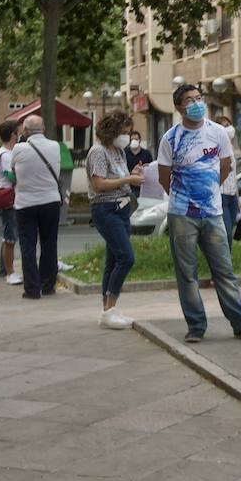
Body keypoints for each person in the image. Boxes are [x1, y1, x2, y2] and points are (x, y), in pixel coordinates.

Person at [157, 85, 241, 343]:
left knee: (224, 270)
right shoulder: (170, 138)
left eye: (198, 98)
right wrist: (184, 195)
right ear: (178, 107)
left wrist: (208, 191)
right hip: (181, 214)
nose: (196, 103)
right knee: (187, 273)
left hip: (213, 213)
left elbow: (226, 166)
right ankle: (196, 325)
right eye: (189, 100)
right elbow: (164, 177)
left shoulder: (217, 132)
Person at [87, 109, 142, 329]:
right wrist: (128, 178)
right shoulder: (98, 152)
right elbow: (99, 184)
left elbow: (118, 177)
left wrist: (132, 172)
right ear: (112, 131)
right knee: (126, 258)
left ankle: (108, 310)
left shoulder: (118, 152)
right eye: (124, 132)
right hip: (106, 209)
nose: (127, 137)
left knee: (113, 260)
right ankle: (109, 308)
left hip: (122, 208)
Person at [11, 115, 62, 300]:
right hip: (50, 200)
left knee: (28, 245)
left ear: (25, 131)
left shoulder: (18, 148)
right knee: (49, 243)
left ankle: (32, 288)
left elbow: (13, 169)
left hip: (25, 203)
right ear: (44, 129)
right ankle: (48, 284)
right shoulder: (55, 146)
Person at [0, 120, 23, 285]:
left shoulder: (8, 152)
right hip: (9, 198)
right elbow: (10, 176)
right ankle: (9, 271)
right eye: (17, 132)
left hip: (13, 197)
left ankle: (3, 269)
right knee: (10, 236)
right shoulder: (5, 155)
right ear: (13, 134)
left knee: (9, 235)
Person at [215, 114, 241, 244]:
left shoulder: (230, 147)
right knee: (226, 231)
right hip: (221, 194)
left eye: (228, 125)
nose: (229, 128)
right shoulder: (216, 148)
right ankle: (224, 262)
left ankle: (225, 258)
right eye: (224, 126)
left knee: (230, 229)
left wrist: (238, 198)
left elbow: (234, 176)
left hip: (232, 195)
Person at [124, 131, 153, 201]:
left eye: (136, 139)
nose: (134, 141)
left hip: (143, 187)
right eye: (132, 139)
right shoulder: (124, 153)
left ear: (139, 140)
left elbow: (151, 169)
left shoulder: (146, 153)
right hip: (128, 188)